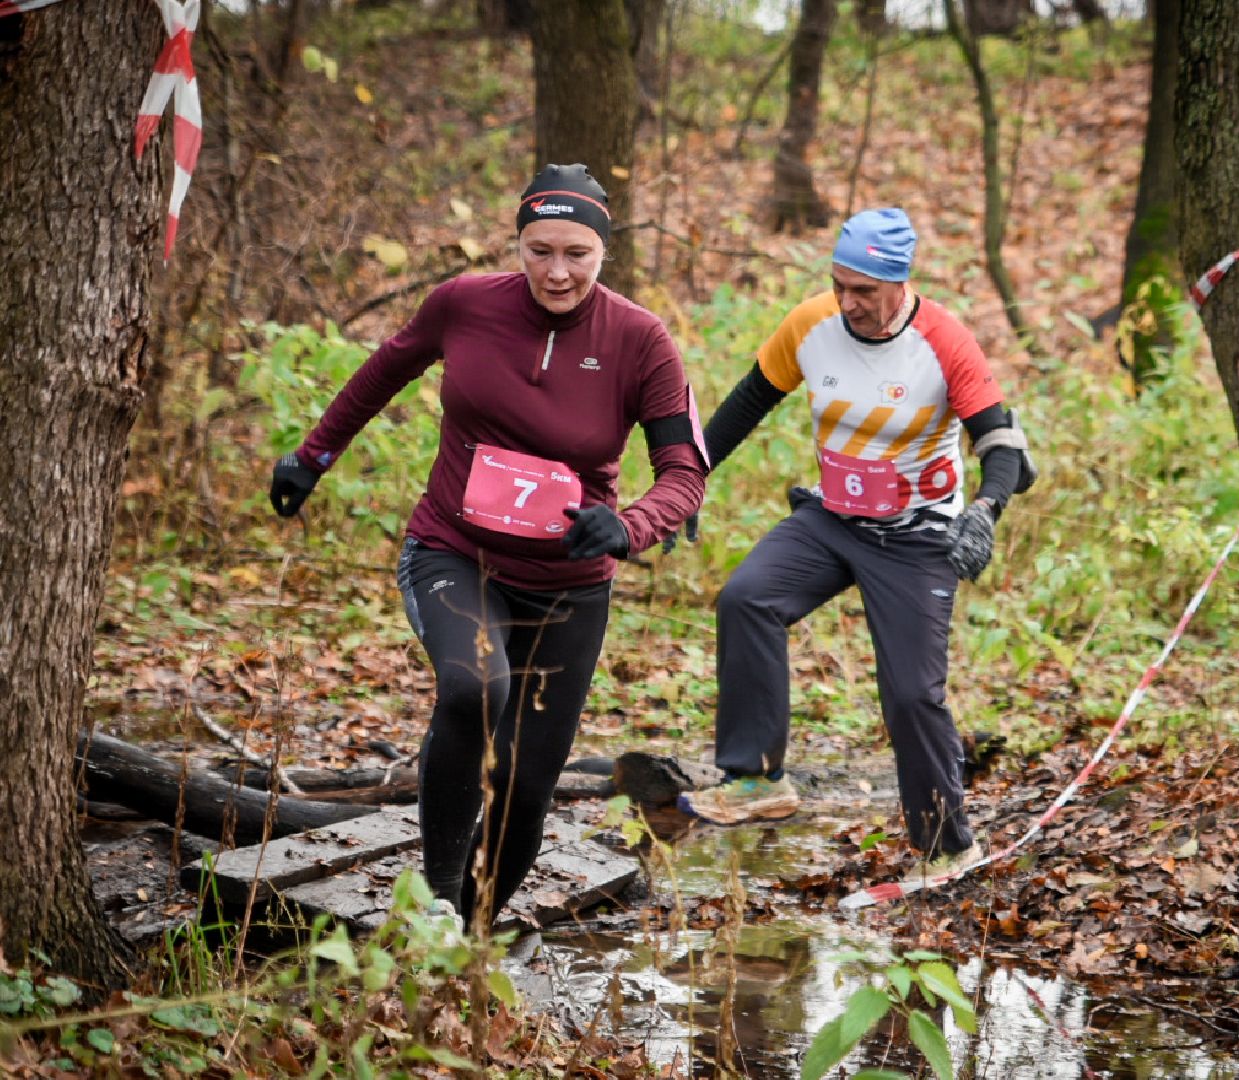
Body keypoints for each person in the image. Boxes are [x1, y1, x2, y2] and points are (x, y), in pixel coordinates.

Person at [267, 164, 707, 930]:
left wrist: (631, 525)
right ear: (518, 242)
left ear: (604, 250)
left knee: (527, 786)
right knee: (476, 687)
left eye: (577, 253)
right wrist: (312, 457)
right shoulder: (464, 304)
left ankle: (468, 938)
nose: (557, 272)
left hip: (569, 584)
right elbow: (381, 374)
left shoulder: (640, 340)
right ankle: (436, 897)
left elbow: (684, 471)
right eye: (540, 250)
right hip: (453, 552)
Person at [677, 207, 1034, 884]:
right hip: (832, 520)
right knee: (747, 598)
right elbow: (747, 401)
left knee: (911, 696)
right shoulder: (812, 324)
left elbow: (1001, 444)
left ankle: (947, 849)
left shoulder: (944, 341)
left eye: (865, 291)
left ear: (901, 284)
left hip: (917, 539)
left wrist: (985, 510)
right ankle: (756, 780)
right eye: (840, 284)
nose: (848, 303)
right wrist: (688, 479)